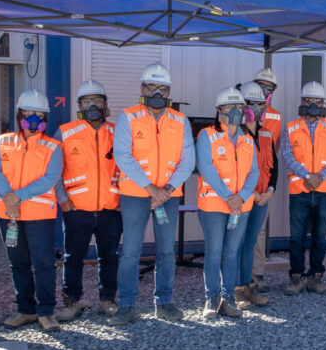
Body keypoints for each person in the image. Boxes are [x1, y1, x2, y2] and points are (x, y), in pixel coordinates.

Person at [110, 62, 196, 325]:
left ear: (169, 92)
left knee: (167, 251)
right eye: (152, 87)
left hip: (168, 197)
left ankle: (165, 302)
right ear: (142, 88)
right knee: (130, 251)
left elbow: (188, 159)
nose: (157, 92)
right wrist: (151, 188)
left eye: (163, 88)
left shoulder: (180, 120)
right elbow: (123, 156)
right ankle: (127, 305)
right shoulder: (128, 117)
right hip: (136, 194)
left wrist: (166, 190)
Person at [0, 89, 64, 331]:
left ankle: (46, 312)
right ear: (19, 114)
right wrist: (8, 199)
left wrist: (17, 196)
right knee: (18, 263)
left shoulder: (53, 147)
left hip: (39, 216)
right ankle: (26, 310)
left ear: (46, 117)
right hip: (8, 214)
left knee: (43, 263)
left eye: (39, 114)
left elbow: (49, 179)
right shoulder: (2, 142)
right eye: (29, 114)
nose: (34, 119)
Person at [54, 79, 122, 322]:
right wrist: (62, 199)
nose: (92, 105)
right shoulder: (65, 132)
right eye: (86, 101)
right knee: (73, 257)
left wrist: (124, 198)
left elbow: (126, 167)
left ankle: (107, 300)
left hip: (111, 208)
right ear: (79, 105)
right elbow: (54, 170)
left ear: (105, 104)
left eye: (97, 100)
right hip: (76, 209)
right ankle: (72, 301)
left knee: (110, 256)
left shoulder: (118, 132)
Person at [196, 87, 258, 320]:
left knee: (231, 253)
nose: (235, 110)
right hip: (214, 206)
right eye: (230, 106)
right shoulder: (207, 135)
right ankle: (211, 299)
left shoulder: (247, 139)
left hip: (240, 206)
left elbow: (254, 172)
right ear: (219, 110)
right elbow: (207, 168)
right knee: (214, 253)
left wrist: (240, 197)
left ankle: (228, 298)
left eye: (240, 106)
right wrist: (229, 197)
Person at [282, 81, 326, 294]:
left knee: (320, 237)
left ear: (323, 103)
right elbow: (288, 156)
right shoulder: (290, 128)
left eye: (317, 101)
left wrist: (320, 176)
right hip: (300, 190)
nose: (313, 104)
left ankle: (315, 278)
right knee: (296, 237)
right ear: (302, 102)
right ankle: (296, 278)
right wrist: (307, 176)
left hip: (325, 191)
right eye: (309, 100)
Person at [235, 81, 277, 307]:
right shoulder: (234, 135)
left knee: (250, 242)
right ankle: (235, 290)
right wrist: (250, 194)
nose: (259, 109)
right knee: (236, 244)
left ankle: (248, 287)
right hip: (242, 199)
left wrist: (270, 191)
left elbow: (274, 167)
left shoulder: (266, 134)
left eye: (262, 104)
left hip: (262, 199)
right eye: (254, 104)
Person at [247, 68, 283, 283]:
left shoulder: (275, 116)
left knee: (259, 233)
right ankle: (239, 279)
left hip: (262, 184)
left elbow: (272, 151)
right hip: (242, 185)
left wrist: (269, 188)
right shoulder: (242, 109)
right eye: (260, 84)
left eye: (268, 87)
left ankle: (256, 275)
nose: (264, 89)